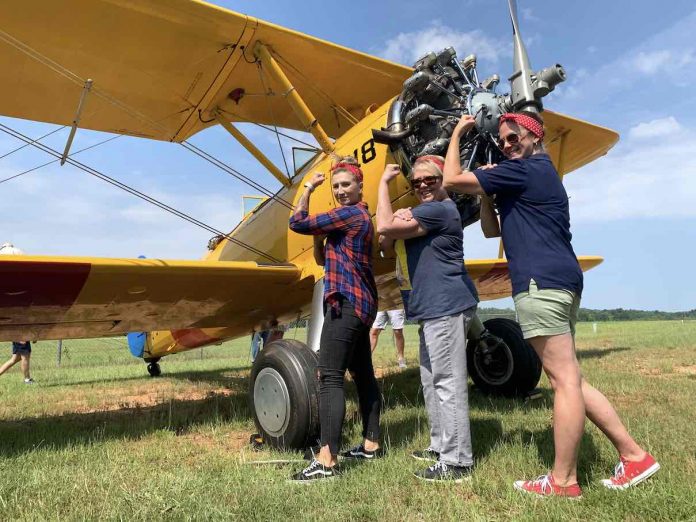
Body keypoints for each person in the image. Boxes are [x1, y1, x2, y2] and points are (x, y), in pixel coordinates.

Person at [443, 112, 659, 497]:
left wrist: (460, 131)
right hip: (562, 279)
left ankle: (563, 481)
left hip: (539, 282)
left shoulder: (525, 171)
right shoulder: (535, 175)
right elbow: (492, 229)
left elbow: (450, 180)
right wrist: (489, 191)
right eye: (503, 141)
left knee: (562, 381)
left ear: (534, 138)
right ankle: (634, 455)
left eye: (514, 138)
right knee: (572, 378)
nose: (508, 145)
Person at [376, 157, 479, 483]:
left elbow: (383, 228)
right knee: (431, 381)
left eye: (429, 179)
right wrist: (396, 220)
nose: (422, 185)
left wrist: (382, 185)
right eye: (416, 181)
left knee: (448, 384)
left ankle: (458, 462)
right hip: (430, 310)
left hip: (445, 307)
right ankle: (439, 446)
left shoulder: (441, 209)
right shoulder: (424, 213)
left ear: (443, 180)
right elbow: (385, 244)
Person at [288, 156, 381, 482]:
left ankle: (326, 458)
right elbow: (320, 257)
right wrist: (320, 232)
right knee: (364, 376)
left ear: (359, 186)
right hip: (362, 304)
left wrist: (308, 189)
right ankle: (371, 443)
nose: (341, 190)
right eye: (336, 186)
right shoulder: (357, 218)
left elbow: (297, 222)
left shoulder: (350, 214)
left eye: (346, 185)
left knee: (329, 377)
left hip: (345, 304)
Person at [0, 243, 35, 384]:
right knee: (26, 355)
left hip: (18, 328)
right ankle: (27, 379)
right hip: (20, 330)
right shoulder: (20, 296)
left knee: (16, 358)